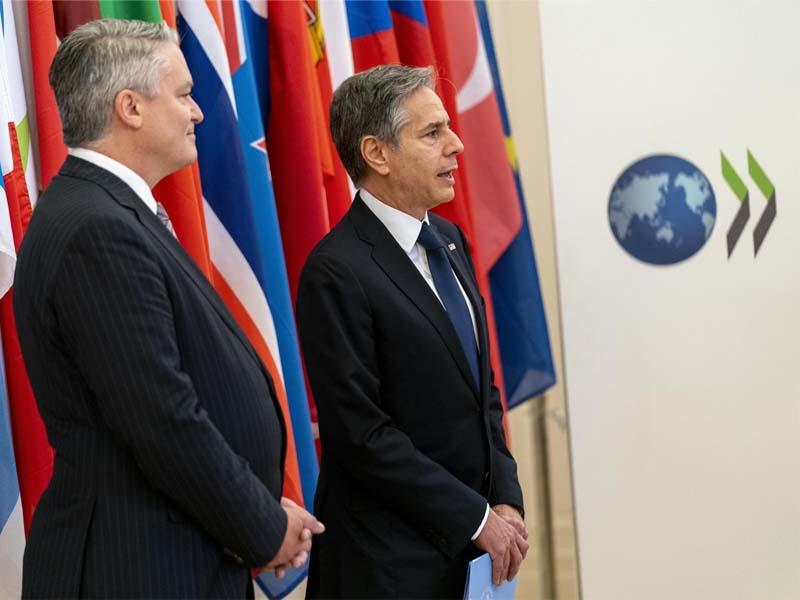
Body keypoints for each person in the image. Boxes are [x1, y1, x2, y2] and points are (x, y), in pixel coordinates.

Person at [14, 19, 322, 599]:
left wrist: (256, 507)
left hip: (175, 553)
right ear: (129, 107)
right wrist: (261, 527)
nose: (198, 112)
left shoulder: (110, 213)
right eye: (183, 95)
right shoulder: (97, 230)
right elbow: (160, 416)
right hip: (136, 569)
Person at [296, 65, 528, 599]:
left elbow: (482, 392)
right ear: (377, 153)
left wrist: (506, 498)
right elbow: (363, 435)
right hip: (387, 568)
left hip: (471, 559)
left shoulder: (449, 239)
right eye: (432, 132)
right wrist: (475, 518)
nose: (457, 144)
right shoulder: (336, 271)